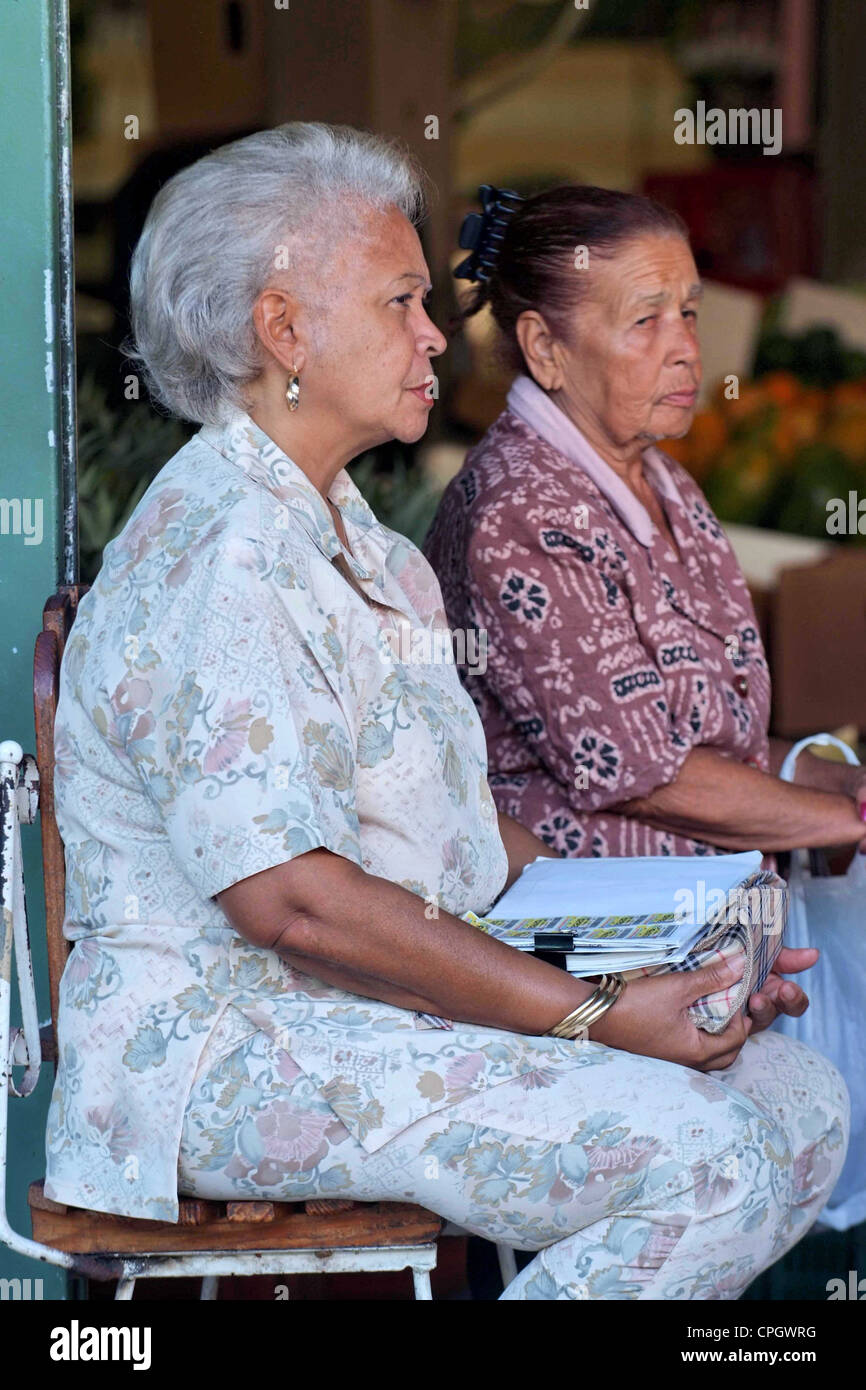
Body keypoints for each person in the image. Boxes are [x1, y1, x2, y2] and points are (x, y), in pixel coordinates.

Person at [44, 126, 847, 1301]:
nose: (436, 335)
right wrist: (593, 1013)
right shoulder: (225, 559)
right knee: (713, 1158)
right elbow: (298, 906)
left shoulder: (357, 541)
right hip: (240, 1050)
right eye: (401, 301)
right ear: (283, 332)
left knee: (797, 1098)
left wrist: (682, 943)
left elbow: (473, 844)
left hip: (381, 1014)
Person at [424, 184, 866, 861]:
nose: (688, 348)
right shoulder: (518, 515)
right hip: (604, 948)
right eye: (645, 320)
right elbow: (643, 778)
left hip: (714, 930)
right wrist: (850, 819)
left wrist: (851, 788)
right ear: (545, 348)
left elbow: (727, 750)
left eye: (689, 311)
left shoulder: (666, 481)